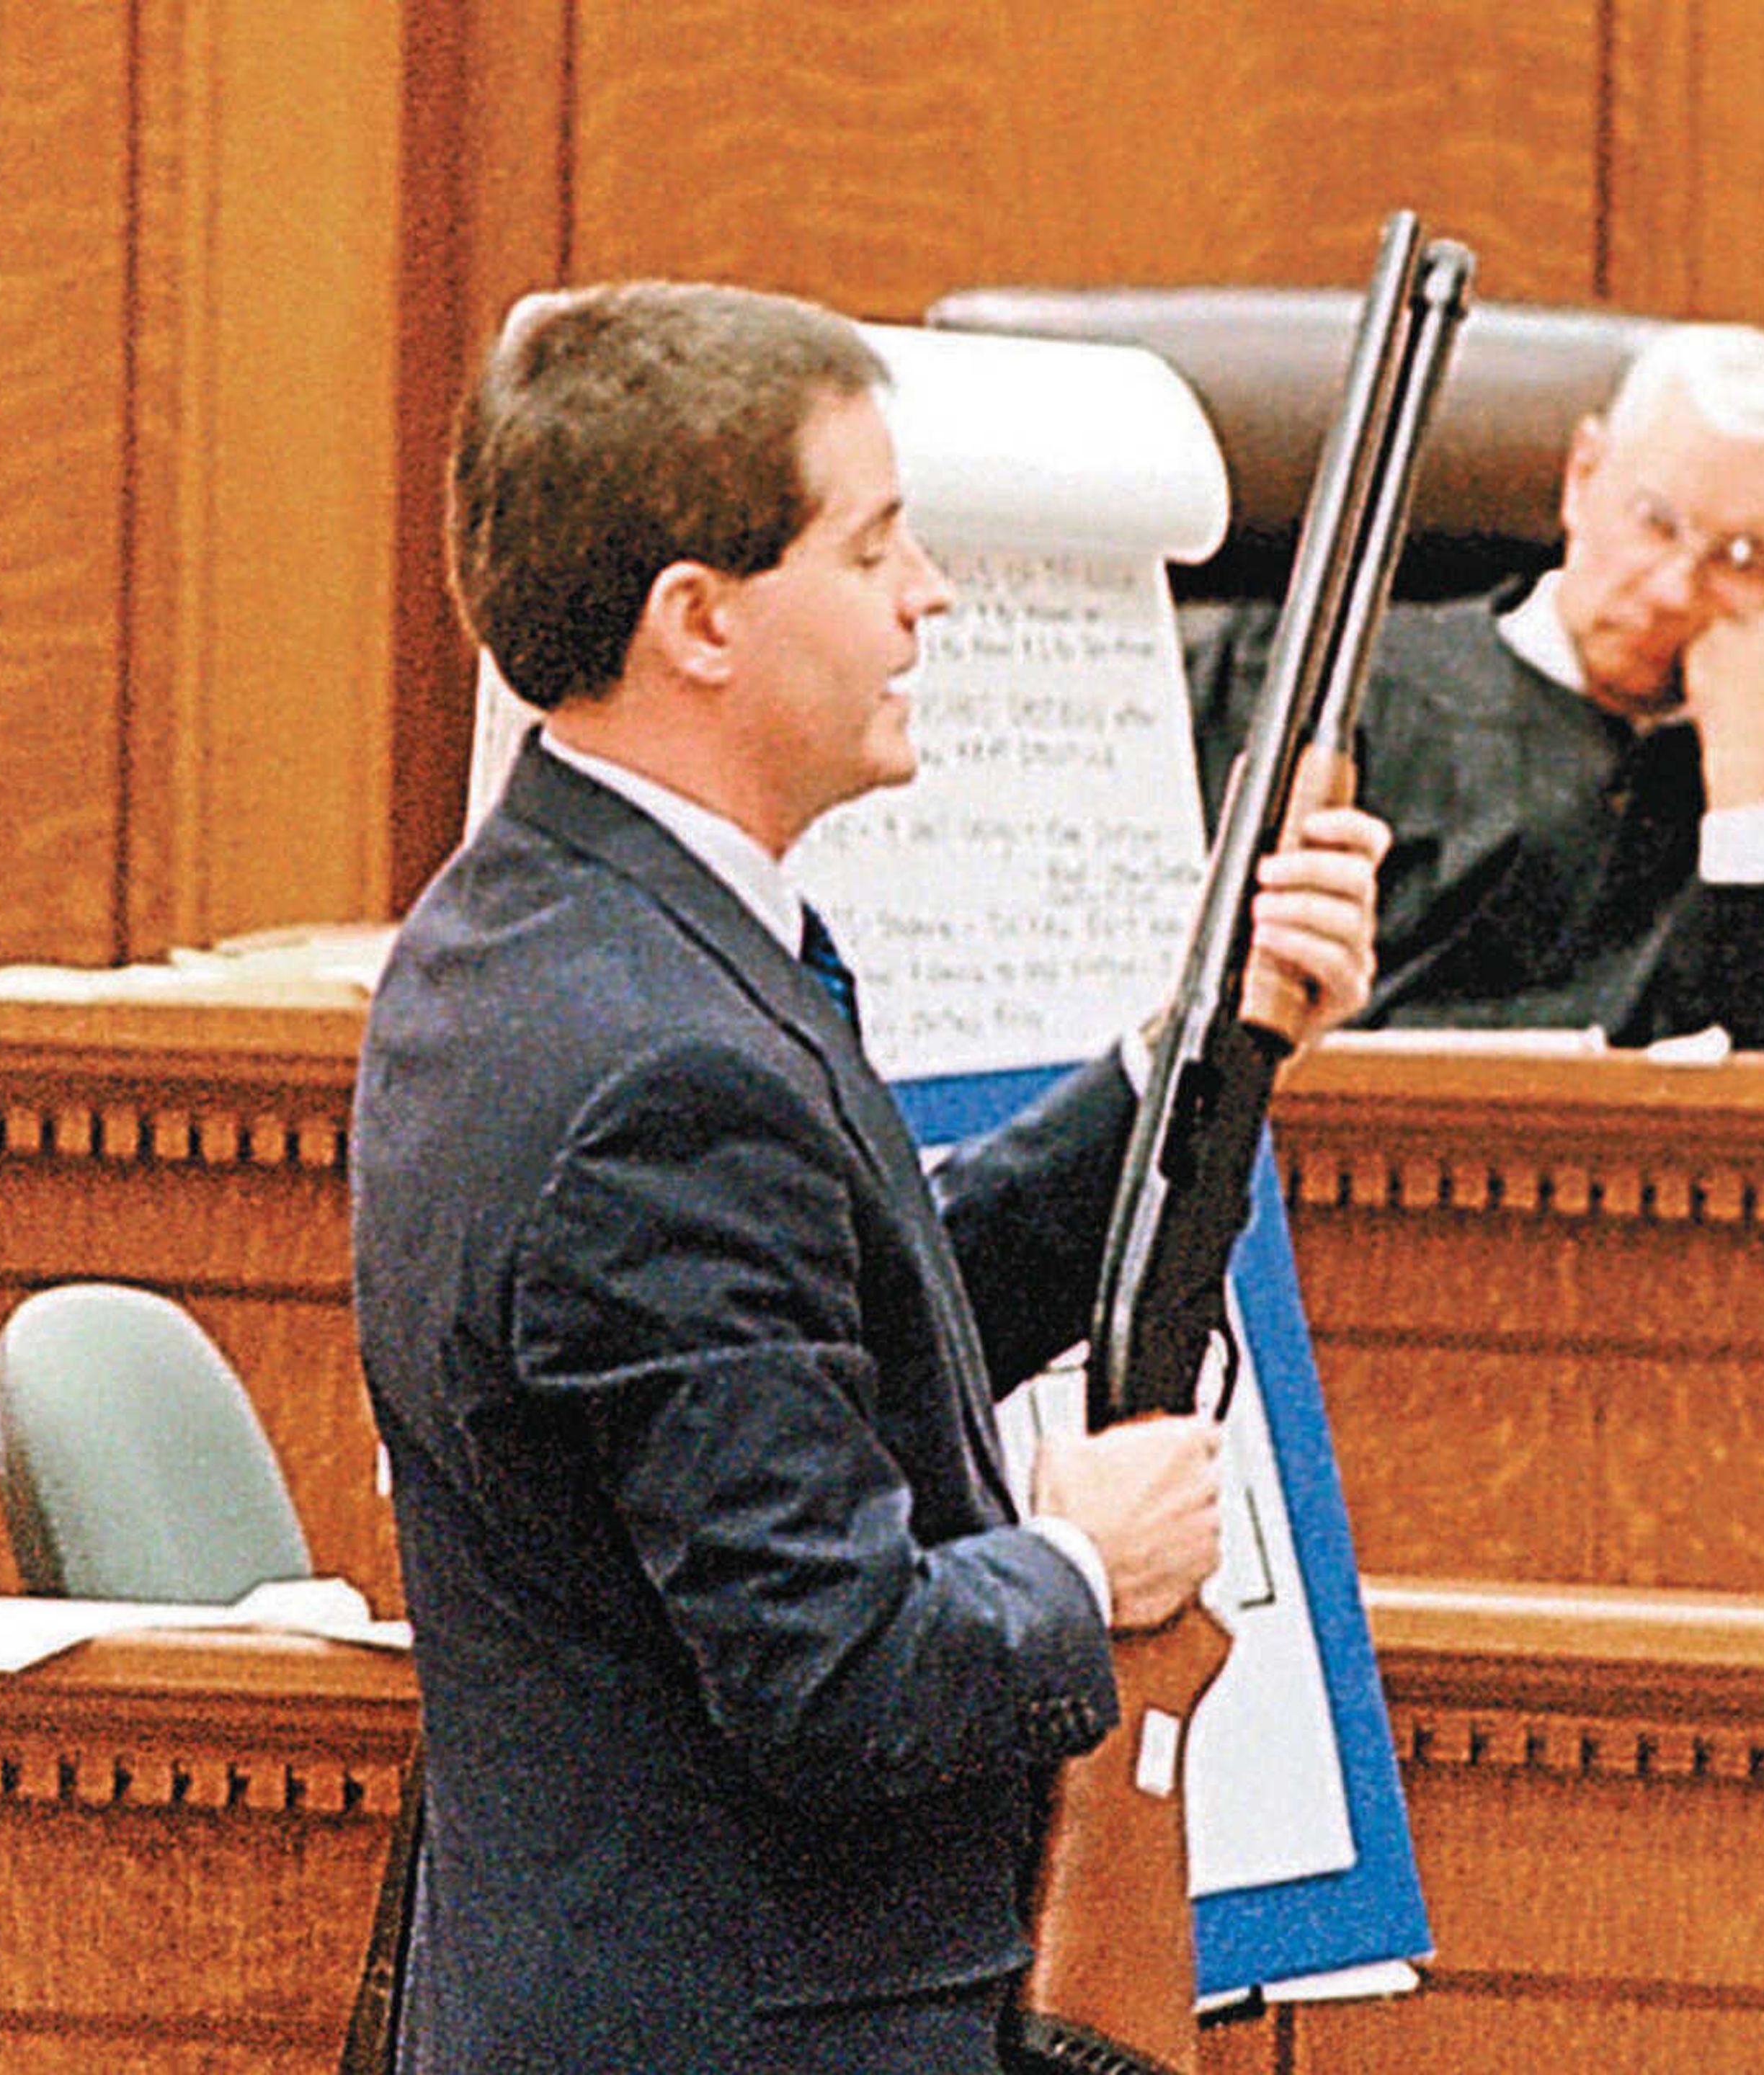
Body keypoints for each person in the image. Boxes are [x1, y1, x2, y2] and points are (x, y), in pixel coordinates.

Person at [351, 280, 1386, 2074]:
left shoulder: (554, 925)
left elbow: (850, 1308)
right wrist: (1083, 1559)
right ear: (702, 622)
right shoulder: (654, 1067)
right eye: (874, 545)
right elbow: (835, 1675)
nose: (930, 596)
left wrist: (1211, 1043)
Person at [1186, 320, 1764, 1053]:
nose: (1676, 589)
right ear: (1583, 475)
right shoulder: (1320, 692)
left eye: (1743, 559)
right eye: (1656, 522)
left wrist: (1754, 792)